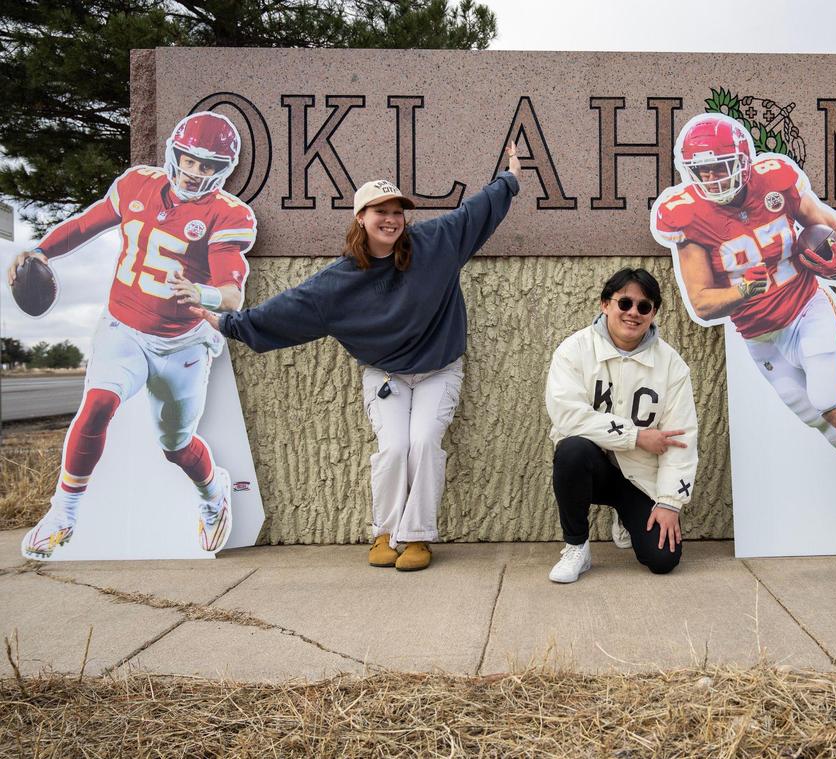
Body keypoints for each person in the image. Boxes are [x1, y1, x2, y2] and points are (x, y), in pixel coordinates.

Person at [195, 145, 522, 571]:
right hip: (385, 374)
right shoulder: (338, 283)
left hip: (439, 369)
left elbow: (478, 210)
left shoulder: (435, 244)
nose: (390, 219)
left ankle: (418, 537)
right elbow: (284, 311)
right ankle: (384, 533)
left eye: (397, 211)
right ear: (360, 218)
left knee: (423, 443)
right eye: (379, 210)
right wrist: (226, 324)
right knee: (393, 448)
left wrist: (509, 179)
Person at [652, 112, 836, 547]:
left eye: (721, 165)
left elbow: (833, 227)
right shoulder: (687, 214)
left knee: (831, 398)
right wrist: (742, 289)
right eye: (703, 169)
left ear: (742, 160)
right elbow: (702, 302)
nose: (714, 177)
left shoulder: (775, 179)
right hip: (758, 334)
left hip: (806, 307)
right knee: (820, 420)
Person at [8, 112, 255, 559]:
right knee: (98, 404)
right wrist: (41, 250)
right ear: (173, 153)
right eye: (189, 159)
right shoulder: (136, 184)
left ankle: (212, 492)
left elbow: (232, 296)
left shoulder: (227, 214)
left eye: (209, 165)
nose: (196, 172)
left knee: (176, 447)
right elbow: (87, 224)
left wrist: (199, 292)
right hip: (124, 325)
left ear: (223, 170)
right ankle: (64, 510)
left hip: (183, 342)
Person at [544, 268, 699, 582]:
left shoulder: (671, 365)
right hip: (593, 466)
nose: (633, 313)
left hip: (640, 477)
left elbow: (682, 437)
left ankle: (626, 516)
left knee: (663, 560)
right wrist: (636, 436)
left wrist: (670, 502)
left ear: (653, 313)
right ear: (605, 304)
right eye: (624, 303)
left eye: (644, 307)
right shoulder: (574, 350)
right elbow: (567, 415)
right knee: (571, 449)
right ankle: (577, 547)